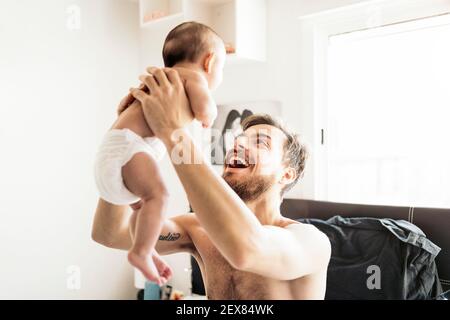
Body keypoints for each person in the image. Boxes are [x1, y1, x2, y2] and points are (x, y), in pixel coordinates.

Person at [92, 68, 331, 299]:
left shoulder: (311, 242)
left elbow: (246, 249)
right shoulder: (197, 229)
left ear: (286, 175)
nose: (238, 145)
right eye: (239, 140)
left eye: (260, 143)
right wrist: (127, 137)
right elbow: (110, 234)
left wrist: (171, 129)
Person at [93, 22, 226, 286]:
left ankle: (146, 248)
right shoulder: (193, 78)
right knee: (159, 195)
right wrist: (209, 115)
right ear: (209, 61)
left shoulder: (159, 83)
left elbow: (126, 109)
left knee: (144, 208)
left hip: (112, 154)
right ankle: (141, 251)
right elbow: (205, 109)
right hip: (129, 150)